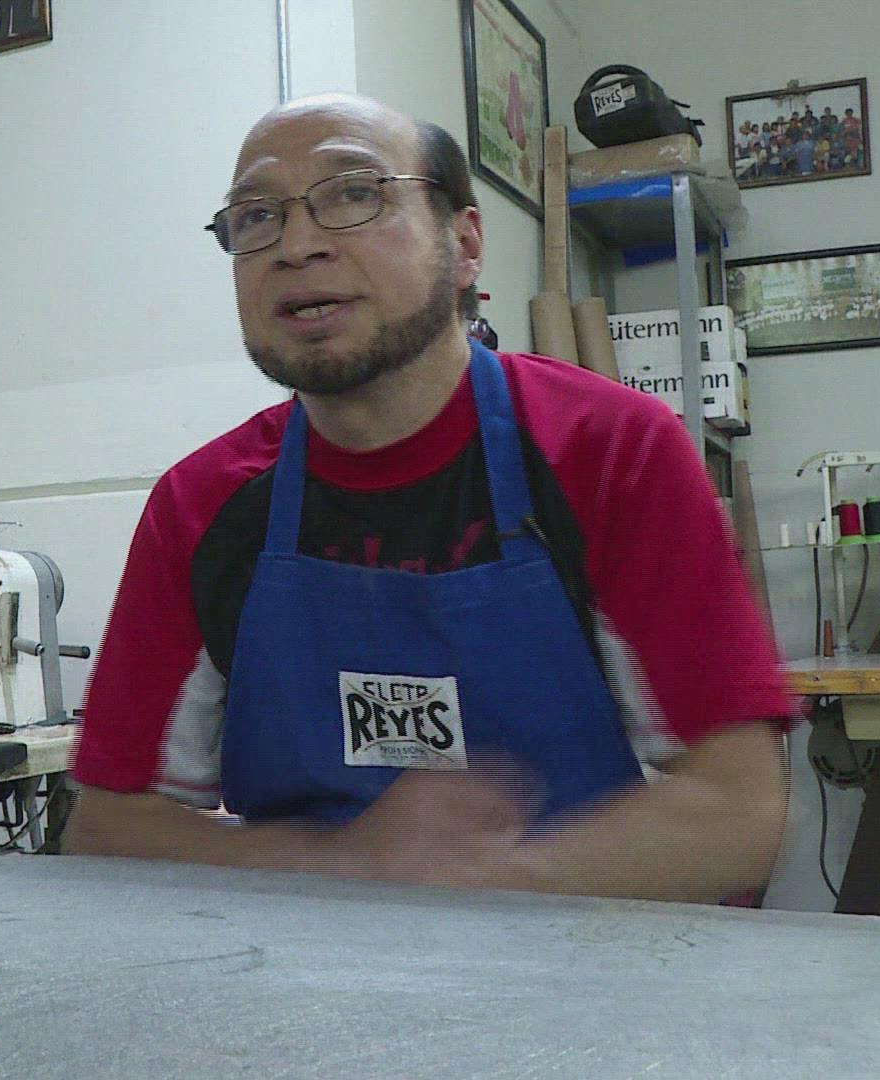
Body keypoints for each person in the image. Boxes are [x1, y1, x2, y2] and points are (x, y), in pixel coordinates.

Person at [65, 95, 792, 904]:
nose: (296, 246)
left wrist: (469, 884)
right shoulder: (201, 505)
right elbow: (107, 828)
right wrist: (346, 868)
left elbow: (738, 814)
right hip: (296, 962)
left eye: (354, 193)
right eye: (257, 216)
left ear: (465, 243)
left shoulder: (610, 454)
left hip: (584, 955)